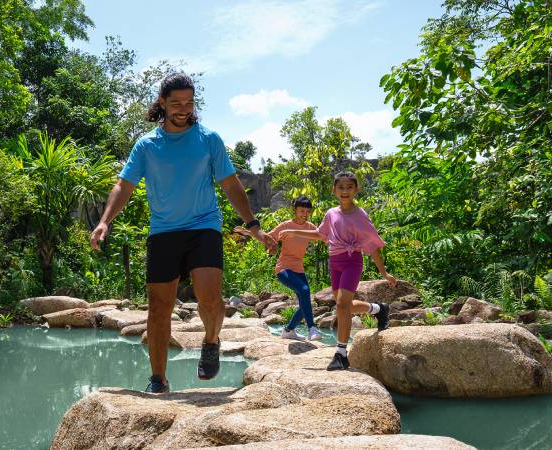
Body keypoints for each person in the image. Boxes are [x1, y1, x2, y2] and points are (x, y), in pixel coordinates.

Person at [90, 73, 273, 394]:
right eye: (176, 103)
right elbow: (124, 185)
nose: (183, 108)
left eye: (189, 102)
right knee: (159, 307)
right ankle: (158, 379)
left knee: (210, 298)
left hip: (204, 227)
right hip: (164, 232)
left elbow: (231, 185)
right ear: (162, 103)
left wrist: (252, 225)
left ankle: (211, 340)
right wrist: (105, 220)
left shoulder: (208, 139)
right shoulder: (147, 145)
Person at [276, 172, 396, 371]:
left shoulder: (360, 215)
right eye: (341, 187)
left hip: (352, 262)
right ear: (334, 190)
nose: (345, 191)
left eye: (349, 187)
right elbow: (320, 234)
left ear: (356, 190)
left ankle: (341, 353)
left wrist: (384, 272)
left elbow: (373, 245)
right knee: (344, 306)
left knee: (341, 304)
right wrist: (293, 231)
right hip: (335, 263)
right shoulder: (331, 213)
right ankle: (379, 309)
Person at [234, 196, 322, 341]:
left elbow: (323, 235)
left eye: (307, 211)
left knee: (305, 304)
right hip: (284, 269)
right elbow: (267, 237)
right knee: (305, 291)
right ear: (295, 210)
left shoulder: (310, 227)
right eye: (301, 211)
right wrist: (248, 232)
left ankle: (288, 330)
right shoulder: (285, 226)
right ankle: (312, 328)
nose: (304, 214)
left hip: (299, 269)